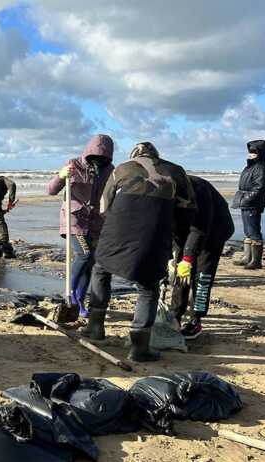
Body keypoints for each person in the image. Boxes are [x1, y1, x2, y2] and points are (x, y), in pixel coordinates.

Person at [82, 142, 196, 362]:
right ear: (157, 155)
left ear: (134, 155)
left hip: (116, 232)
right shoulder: (176, 171)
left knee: (101, 270)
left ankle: (95, 328)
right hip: (153, 234)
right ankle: (139, 347)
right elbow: (188, 209)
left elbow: (104, 207)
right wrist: (175, 237)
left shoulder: (122, 169)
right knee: (148, 287)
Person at [47, 134, 114, 317]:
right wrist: (61, 176)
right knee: (83, 254)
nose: (99, 161)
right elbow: (51, 190)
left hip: (95, 222)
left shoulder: (110, 170)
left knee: (90, 261)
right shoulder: (73, 164)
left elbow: (110, 196)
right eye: (95, 157)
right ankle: (69, 292)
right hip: (73, 220)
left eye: (103, 158)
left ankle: (79, 300)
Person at [170, 175, 234, 340]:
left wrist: (188, 258)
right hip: (186, 231)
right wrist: (170, 256)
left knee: (202, 276)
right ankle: (175, 315)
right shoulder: (162, 193)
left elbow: (200, 229)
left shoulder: (199, 190)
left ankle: (196, 319)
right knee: (180, 275)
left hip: (214, 230)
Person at [232, 140, 265, 270]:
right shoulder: (251, 166)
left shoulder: (262, 167)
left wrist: (248, 198)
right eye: (250, 152)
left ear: (260, 153)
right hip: (245, 201)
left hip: (253, 203)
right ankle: (246, 257)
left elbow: (260, 187)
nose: (251, 154)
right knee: (247, 231)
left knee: (254, 231)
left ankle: (256, 261)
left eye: (254, 152)